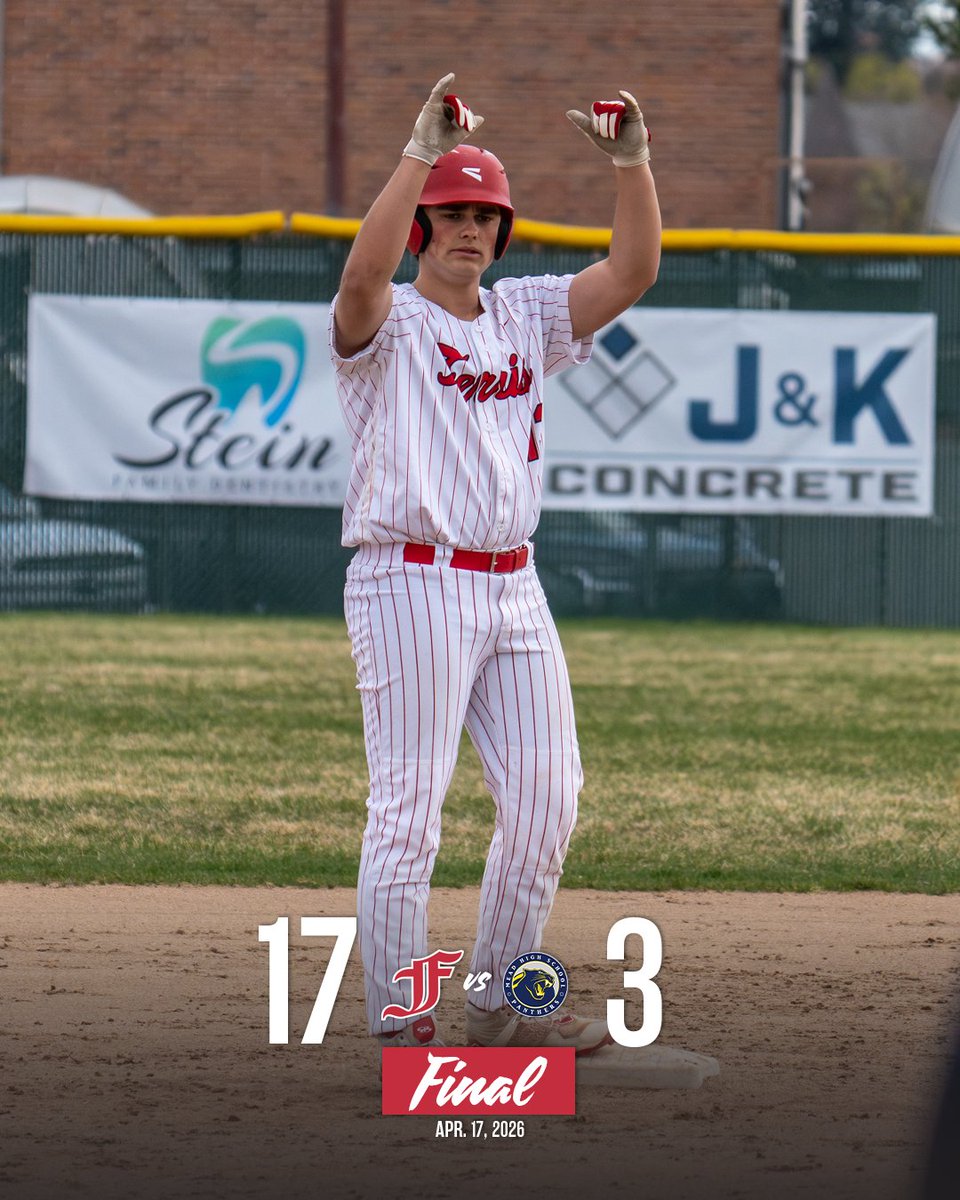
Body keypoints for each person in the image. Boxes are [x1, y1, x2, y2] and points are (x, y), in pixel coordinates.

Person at [329, 73, 661, 1052]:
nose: (469, 228)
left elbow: (633, 271)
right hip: (410, 579)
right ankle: (403, 1026)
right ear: (423, 227)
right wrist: (419, 155)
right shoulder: (387, 325)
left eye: (484, 215)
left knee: (549, 798)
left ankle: (504, 1000)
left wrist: (632, 165)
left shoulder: (526, 316)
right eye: (452, 215)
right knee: (410, 817)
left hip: (515, 585)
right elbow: (356, 283)